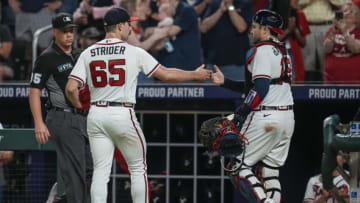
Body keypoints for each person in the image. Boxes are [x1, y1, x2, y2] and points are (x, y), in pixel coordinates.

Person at [65, 7, 211, 203]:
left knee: (101, 171)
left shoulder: (88, 52)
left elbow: (70, 88)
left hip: (97, 113)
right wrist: (194, 75)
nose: (131, 28)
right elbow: (166, 75)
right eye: (128, 24)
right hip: (122, 112)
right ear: (119, 26)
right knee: (137, 169)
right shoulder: (133, 51)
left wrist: (81, 106)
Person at [211, 9, 294, 203]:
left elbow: (261, 89)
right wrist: (226, 82)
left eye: (255, 27)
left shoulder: (261, 50)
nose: (251, 31)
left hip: (266, 118)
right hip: (287, 119)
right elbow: (257, 86)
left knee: (235, 165)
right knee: (269, 172)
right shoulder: (283, 50)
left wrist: (243, 111)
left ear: (265, 29)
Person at [29, 13, 93, 203]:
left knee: (92, 171)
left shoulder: (77, 54)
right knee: (76, 175)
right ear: (55, 32)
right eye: (64, 31)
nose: (69, 35)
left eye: (71, 31)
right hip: (62, 117)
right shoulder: (47, 57)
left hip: (82, 117)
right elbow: (34, 91)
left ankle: (59, 200)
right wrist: (39, 123)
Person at [199, 0, 253, 81]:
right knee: (211, 93)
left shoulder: (244, 4)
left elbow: (241, 28)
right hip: (213, 63)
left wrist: (230, 7)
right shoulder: (214, 4)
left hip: (237, 65)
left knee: (237, 92)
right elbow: (203, 28)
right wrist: (220, 11)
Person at [298, 0, 350, 82]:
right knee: (307, 63)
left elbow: (344, 3)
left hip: (327, 26)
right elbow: (296, 3)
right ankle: (306, 90)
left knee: (325, 61)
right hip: (307, 25)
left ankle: (326, 88)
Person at [323, 2, 360, 84]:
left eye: (351, 11)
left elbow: (355, 49)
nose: (348, 14)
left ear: (357, 17)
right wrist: (334, 30)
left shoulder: (358, 32)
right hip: (331, 80)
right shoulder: (332, 31)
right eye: (345, 11)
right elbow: (327, 49)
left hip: (354, 82)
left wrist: (344, 31)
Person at [278, 0, 310, 83]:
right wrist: (288, 30)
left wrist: (294, 29)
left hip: (294, 56)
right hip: (278, 56)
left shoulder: (300, 15)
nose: (297, 1)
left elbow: (303, 42)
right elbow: (273, 40)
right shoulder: (275, 16)